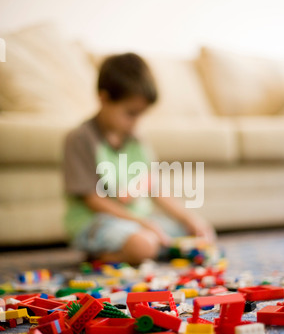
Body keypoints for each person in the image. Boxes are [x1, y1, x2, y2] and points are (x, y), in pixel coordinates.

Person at [63, 52, 215, 265]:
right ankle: (103, 257)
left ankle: (150, 247)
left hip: (136, 223)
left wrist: (189, 218)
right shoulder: (80, 139)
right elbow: (93, 199)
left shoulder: (136, 139)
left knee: (193, 235)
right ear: (104, 98)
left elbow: (155, 188)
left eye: (142, 114)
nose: (137, 122)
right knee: (144, 244)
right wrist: (142, 223)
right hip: (97, 222)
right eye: (131, 113)